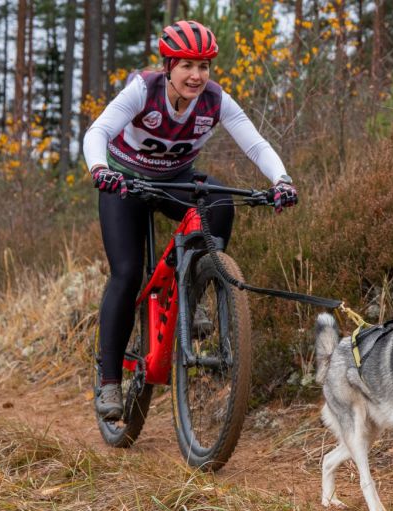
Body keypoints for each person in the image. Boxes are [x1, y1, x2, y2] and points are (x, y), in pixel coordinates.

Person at [83, 20, 297, 420]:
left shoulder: (215, 101)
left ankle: (192, 290)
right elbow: (96, 132)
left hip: (174, 179)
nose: (197, 76)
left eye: (204, 66)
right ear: (168, 65)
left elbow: (255, 143)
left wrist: (281, 180)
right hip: (124, 183)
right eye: (187, 66)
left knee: (219, 205)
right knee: (126, 273)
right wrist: (100, 169)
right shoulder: (142, 91)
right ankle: (110, 381)